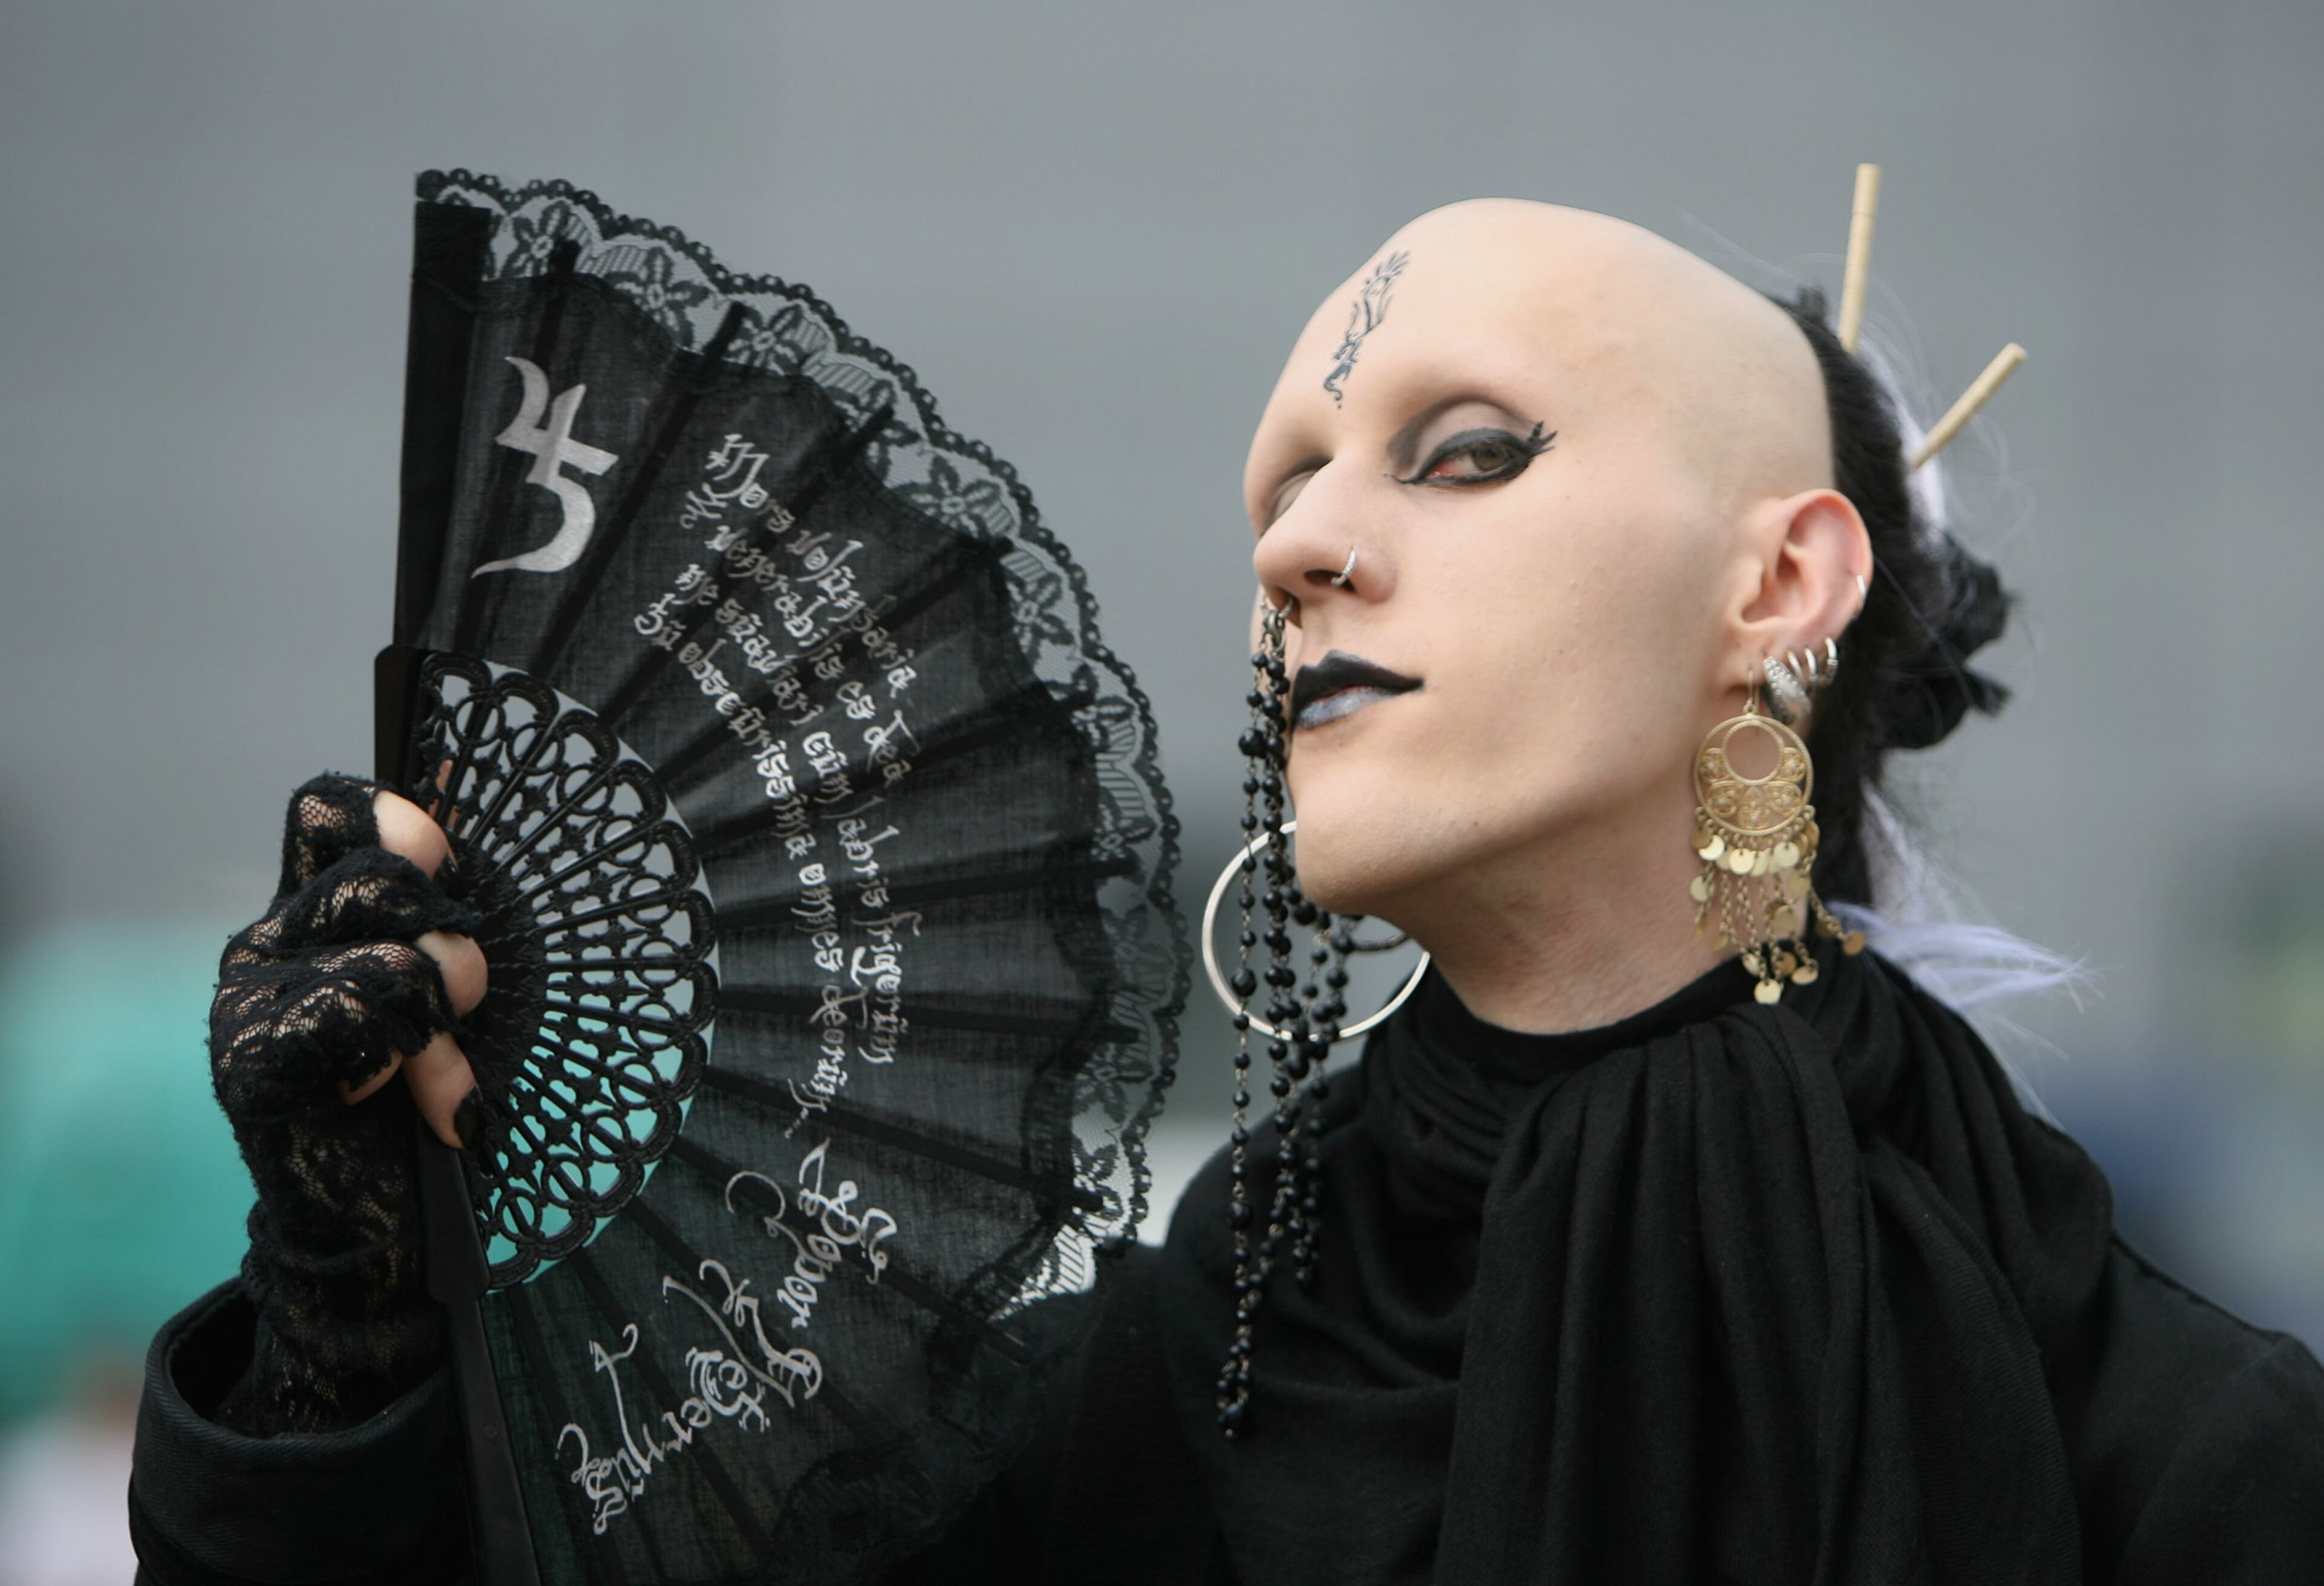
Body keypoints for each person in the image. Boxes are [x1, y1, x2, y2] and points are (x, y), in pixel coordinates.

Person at [130, 199, 2324, 1585]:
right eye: (1284, 486)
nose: (1298, 549)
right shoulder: (1135, 1403)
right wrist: (353, 1315)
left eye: (1469, 453)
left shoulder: (2177, 1449)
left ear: (1783, 581)